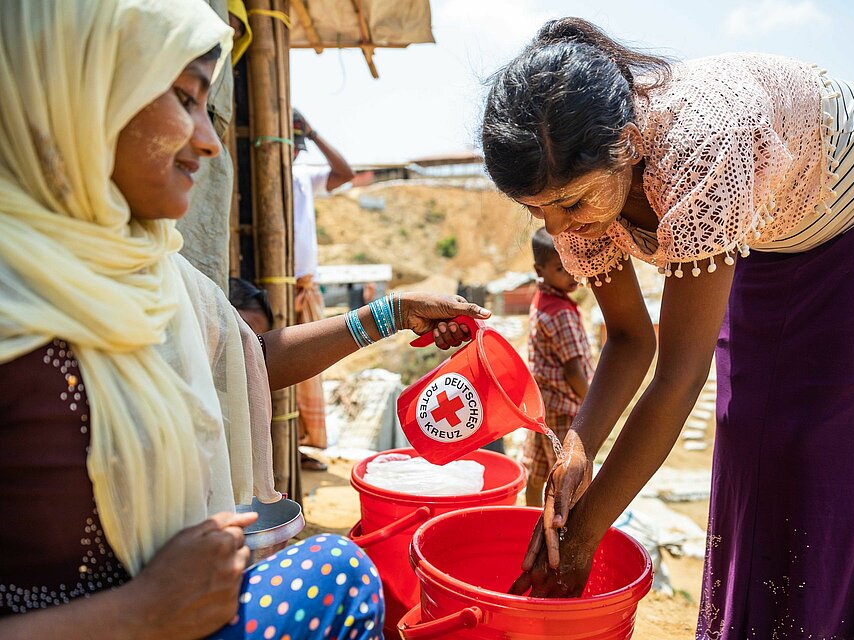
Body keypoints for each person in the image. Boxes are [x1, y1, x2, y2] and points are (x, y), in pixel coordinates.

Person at [0, 1, 488, 637]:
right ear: (77, 95)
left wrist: (391, 314)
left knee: (337, 568)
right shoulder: (18, 305)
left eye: (209, 106)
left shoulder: (158, 276)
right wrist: (139, 614)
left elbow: (247, 362)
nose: (206, 139)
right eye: (183, 98)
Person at [483, 17, 854, 638]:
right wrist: (579, 447)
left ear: (627, 143)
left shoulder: (699, 156)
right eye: (536, 209)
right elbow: (631, 339)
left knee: (830, 442)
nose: (558, 224)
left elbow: (678, 377)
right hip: (776, 218)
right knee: (745, 431)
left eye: (570, 203)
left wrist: (587, 531)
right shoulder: (581, 197)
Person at [291, 108, 355, 465]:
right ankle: (288, 447)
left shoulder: (303, 177)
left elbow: (345, 173)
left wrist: (314, 133)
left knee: (304, 368)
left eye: (301, 145)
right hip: (278, 286)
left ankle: (299, 445)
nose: (297, 152)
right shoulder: (264, 175)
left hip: (303, 286)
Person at [523, 228, 594, 507]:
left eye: (572, 262)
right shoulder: (562, 313)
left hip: (541, 407)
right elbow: (573, 370)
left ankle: (527, 519)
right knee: (568, 481)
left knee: (538, 471)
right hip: (565, 410)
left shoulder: (541, 299)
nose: (571, 273)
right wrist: (593, 406)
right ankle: (561, 536)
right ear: (539, 270)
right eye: (560, 268)